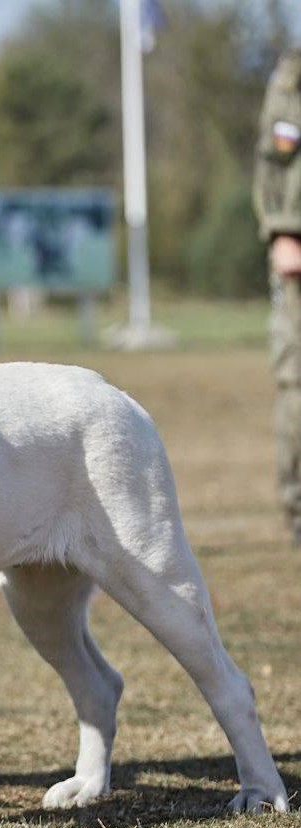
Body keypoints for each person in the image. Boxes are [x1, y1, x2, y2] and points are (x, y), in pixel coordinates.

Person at [255, 48, 301, 545]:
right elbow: (278, 156)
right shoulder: (294, 77)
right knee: (298, 384)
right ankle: (299, 506)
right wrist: (283, 229)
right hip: (300, 246)